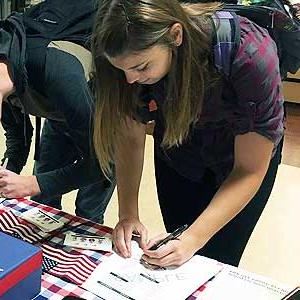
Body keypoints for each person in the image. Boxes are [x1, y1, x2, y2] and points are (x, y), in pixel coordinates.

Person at [91, 0, 284, 266]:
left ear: (176, 36)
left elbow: (249, 169)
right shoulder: (126, 59)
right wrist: (128, 214)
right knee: (178, 252)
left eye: (142, 67)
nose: (130, 80)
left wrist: (194, 238)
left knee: (218, 259)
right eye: (121, 69)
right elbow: (129, 135)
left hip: (241, 160)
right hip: (179, 149)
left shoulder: (249, 55)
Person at [0, 0, 115, 224]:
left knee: (87, 209)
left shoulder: (57, 73)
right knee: (43, 201)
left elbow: (103, 164)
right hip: (59, 113)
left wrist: (32, 183)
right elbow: (18, 134)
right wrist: (6, 169)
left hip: (102, 114)